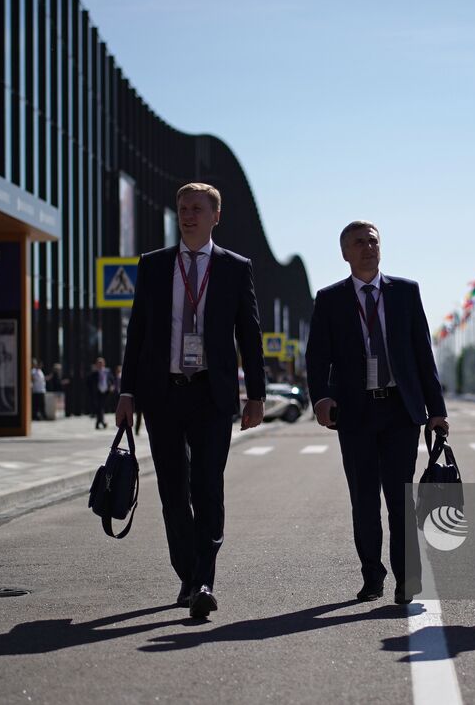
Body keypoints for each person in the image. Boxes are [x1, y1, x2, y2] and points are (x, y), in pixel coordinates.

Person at [115, 182, 267, 620]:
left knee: (208, 486)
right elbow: (138, 332)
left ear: (216, 215)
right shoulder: (154, 265)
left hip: (211, 394)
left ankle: (203, 579)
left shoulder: (236, 268)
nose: (188, 215)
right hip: (162, 394)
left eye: (197, 208)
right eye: (182, 208)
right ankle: (188, 573)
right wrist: (127, 392)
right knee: (172, 491)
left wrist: (255, 395)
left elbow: (250, 336)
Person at [306, 220, 449, 606]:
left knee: (400, 499)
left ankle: (406, 579)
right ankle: (373, 577)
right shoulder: (331, 298)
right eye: (358, 242)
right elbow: (317, 357)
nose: (368, 247)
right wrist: (320, 399)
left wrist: (436, 411)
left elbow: (423, 354)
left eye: (373, 241)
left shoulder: (404, 292)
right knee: (364, 501)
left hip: (399, 411)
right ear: (345, 253)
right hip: (353, 414)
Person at [88, 357, 111, 429]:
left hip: (105, 392)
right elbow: (89, 382)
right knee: (100, 407)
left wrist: (111, 386)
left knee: (101, 407)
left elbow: (111, 379)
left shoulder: (107, 371)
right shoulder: (94, 373)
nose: (100, 365)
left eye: (101, 363)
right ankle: (102, 422)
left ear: (104, 364)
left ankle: (99, 423)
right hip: (97, 392)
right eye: (98, 363)